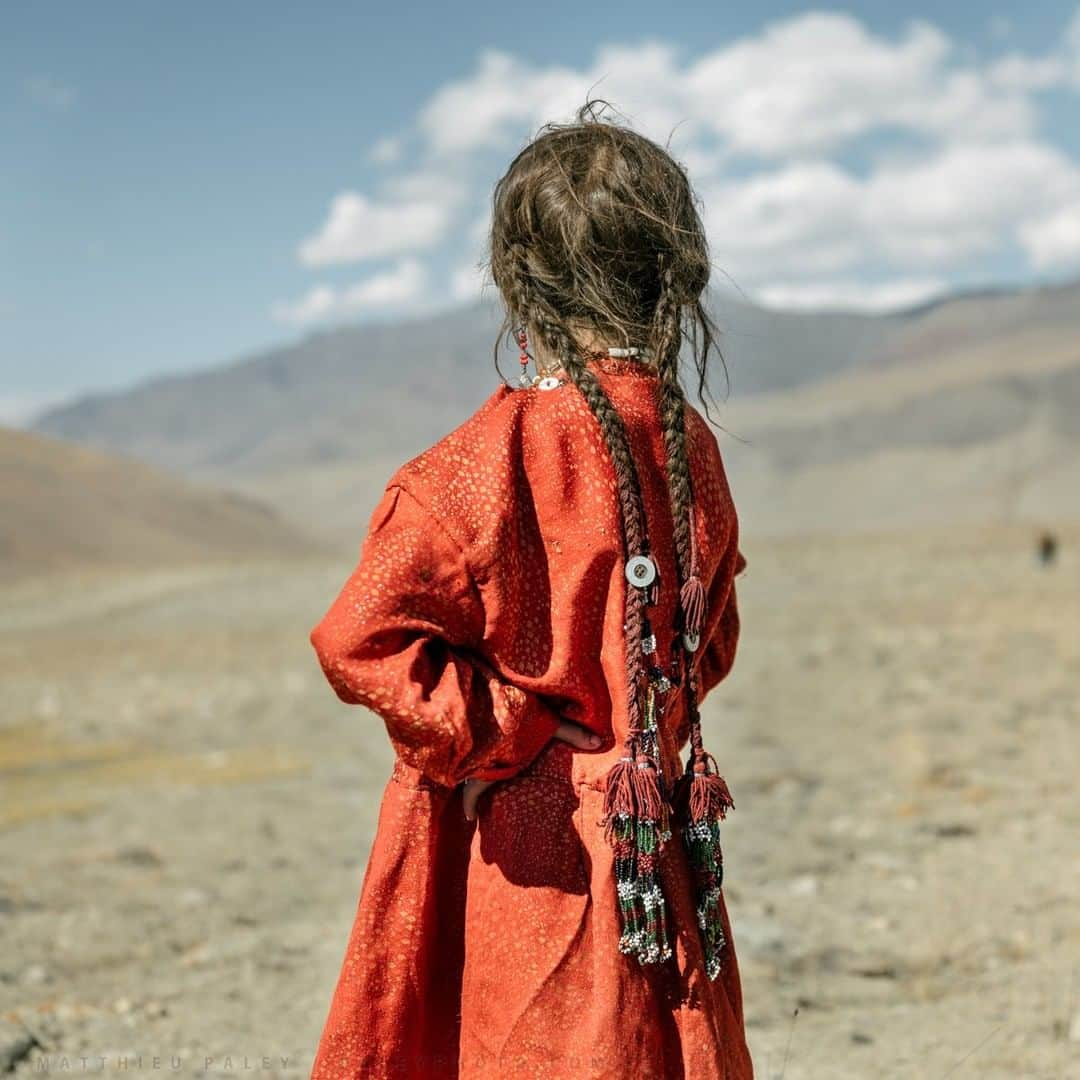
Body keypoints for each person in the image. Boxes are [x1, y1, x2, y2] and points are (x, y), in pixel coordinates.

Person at [308, 103, 752, 1079]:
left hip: (527, 852)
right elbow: (709, 643)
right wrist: (637, 732)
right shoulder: (690, 445)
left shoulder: (485, 460)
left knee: (531, 1046)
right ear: (672, 272)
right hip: (662, 844)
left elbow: (359, 637)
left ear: (519, 282)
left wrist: (511, 730)